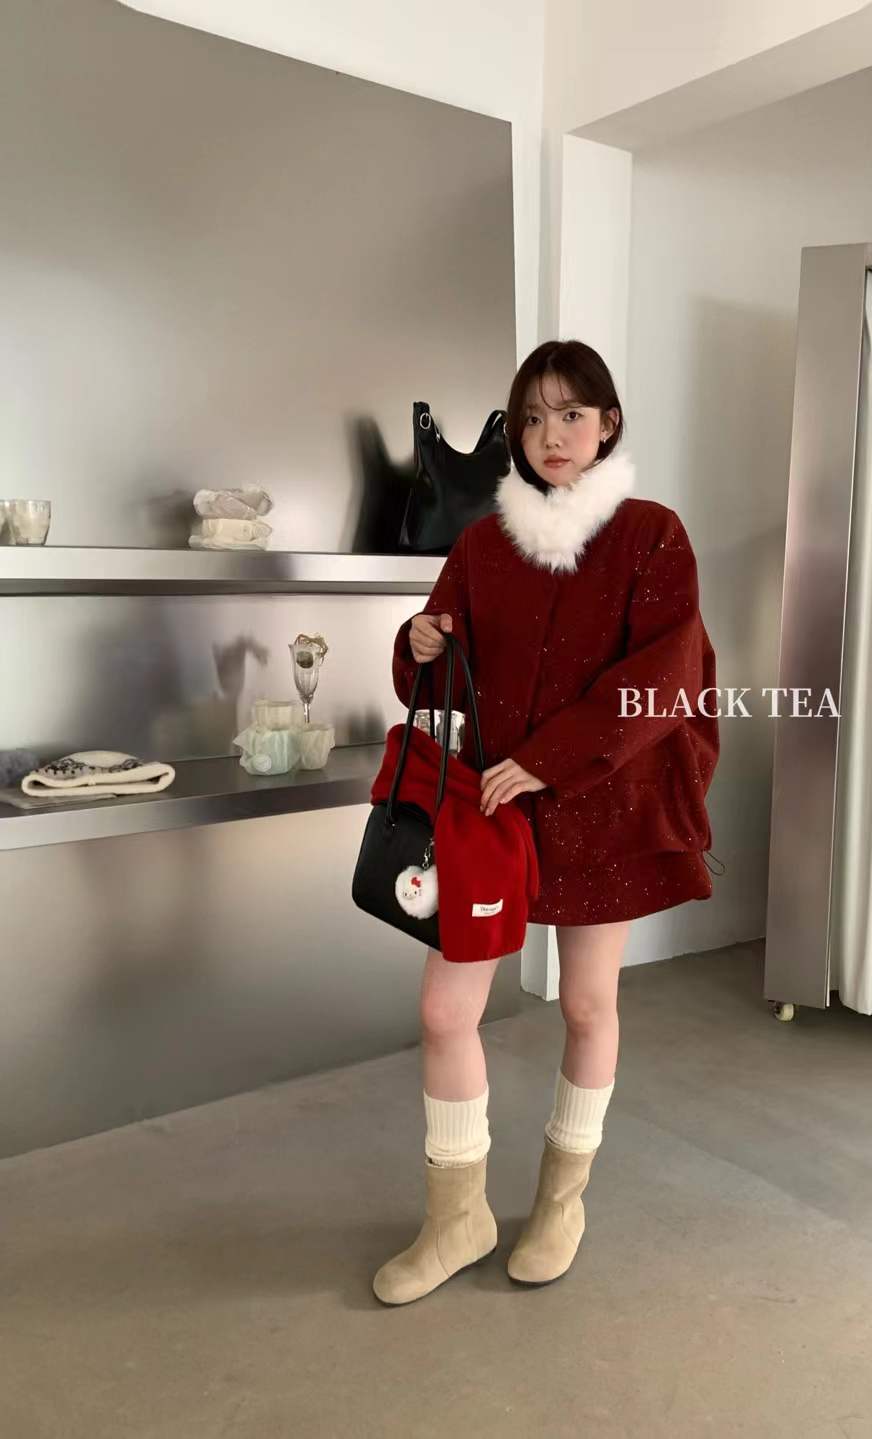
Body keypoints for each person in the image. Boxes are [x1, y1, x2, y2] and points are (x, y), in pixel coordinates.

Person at [372, 339, 719, 1305]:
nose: (549, 435)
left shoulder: (649, 533)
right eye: (531, 417)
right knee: (445, 1011)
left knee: (586, 1005)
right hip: (493, 809)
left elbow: (667, 672)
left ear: (608, 423)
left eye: (570, 414)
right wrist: (417, 640)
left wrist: (551, 758)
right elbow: (436, 672)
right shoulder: (484, 541)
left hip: (602, 804)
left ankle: (562, 1202)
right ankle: (457, 1217)